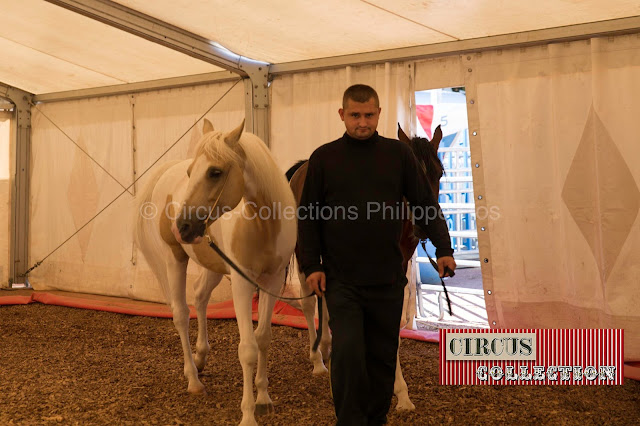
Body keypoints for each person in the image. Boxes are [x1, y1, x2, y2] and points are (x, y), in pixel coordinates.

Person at [298, 84, 456, 425]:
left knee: (383, 357)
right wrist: (311, 264)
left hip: (387, 277)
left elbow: (425, 204)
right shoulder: (324, 158)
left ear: (379, 114)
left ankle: (376, 419)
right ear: (342, 115)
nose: (362, 122)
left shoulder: (398, 156)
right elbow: (307, 214)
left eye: (369, 115)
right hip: (342, 280)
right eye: (355, 115)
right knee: (349, 353)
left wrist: (444, 248)